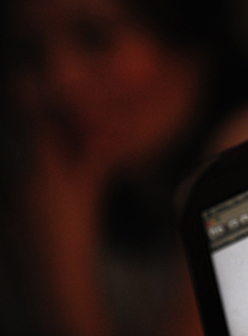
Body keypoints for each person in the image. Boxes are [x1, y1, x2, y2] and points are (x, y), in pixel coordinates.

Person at [1, 0, 230, 334]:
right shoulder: (96, 192)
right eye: (27, 52)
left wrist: (60, 265)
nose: (61, 81)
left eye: (96, 38)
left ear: (185, 38)